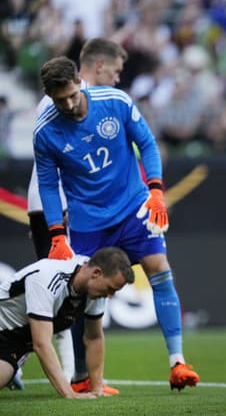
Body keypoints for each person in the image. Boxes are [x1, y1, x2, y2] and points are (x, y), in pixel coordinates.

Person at [33, 56, 199, 392]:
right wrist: (56, 235)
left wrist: (155, 190)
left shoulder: (115, 101)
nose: (67, 104)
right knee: (82, 295)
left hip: (132, 207)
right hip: (88, 222)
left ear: (80, 80)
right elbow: (48, 185)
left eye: (71, 95)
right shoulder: (45, 132)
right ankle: (81, 376)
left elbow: (147, 144)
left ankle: (178, 362)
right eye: (58, 99)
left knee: (159, 267)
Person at [26, 37, 128, 394]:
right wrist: (61, 219)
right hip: (52, 210)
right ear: (97, 68)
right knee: (60, 294)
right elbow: (51, 171)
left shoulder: (83, 103)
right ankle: (73, 375)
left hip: (58, 209)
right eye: (114, 72)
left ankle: (78, 374)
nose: (116, 80)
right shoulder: (54, 107)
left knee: (69, 294)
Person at [0, 247, 134, 398]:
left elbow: (94, 337)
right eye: (110, 289)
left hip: (13, 349)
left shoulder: (95, 291)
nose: (110, 296)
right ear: (96, 273)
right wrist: (69, 394)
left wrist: (97, 389)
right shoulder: (47, 277)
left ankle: (13, 375)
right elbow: (41, 343)